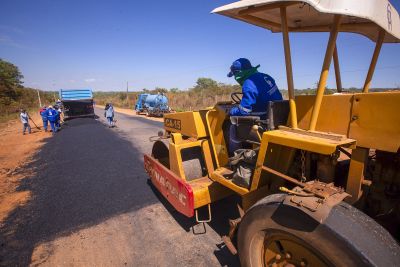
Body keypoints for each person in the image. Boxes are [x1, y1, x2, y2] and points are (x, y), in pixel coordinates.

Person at [227, 58, 283, 153]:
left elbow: (243, 111)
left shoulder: (249, 83)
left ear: (238, 73)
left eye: (235, 75)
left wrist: (231, 111)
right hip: (279, 119)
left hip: (264, 122)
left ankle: (234, 157)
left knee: (232, 127)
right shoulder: (266, 77)